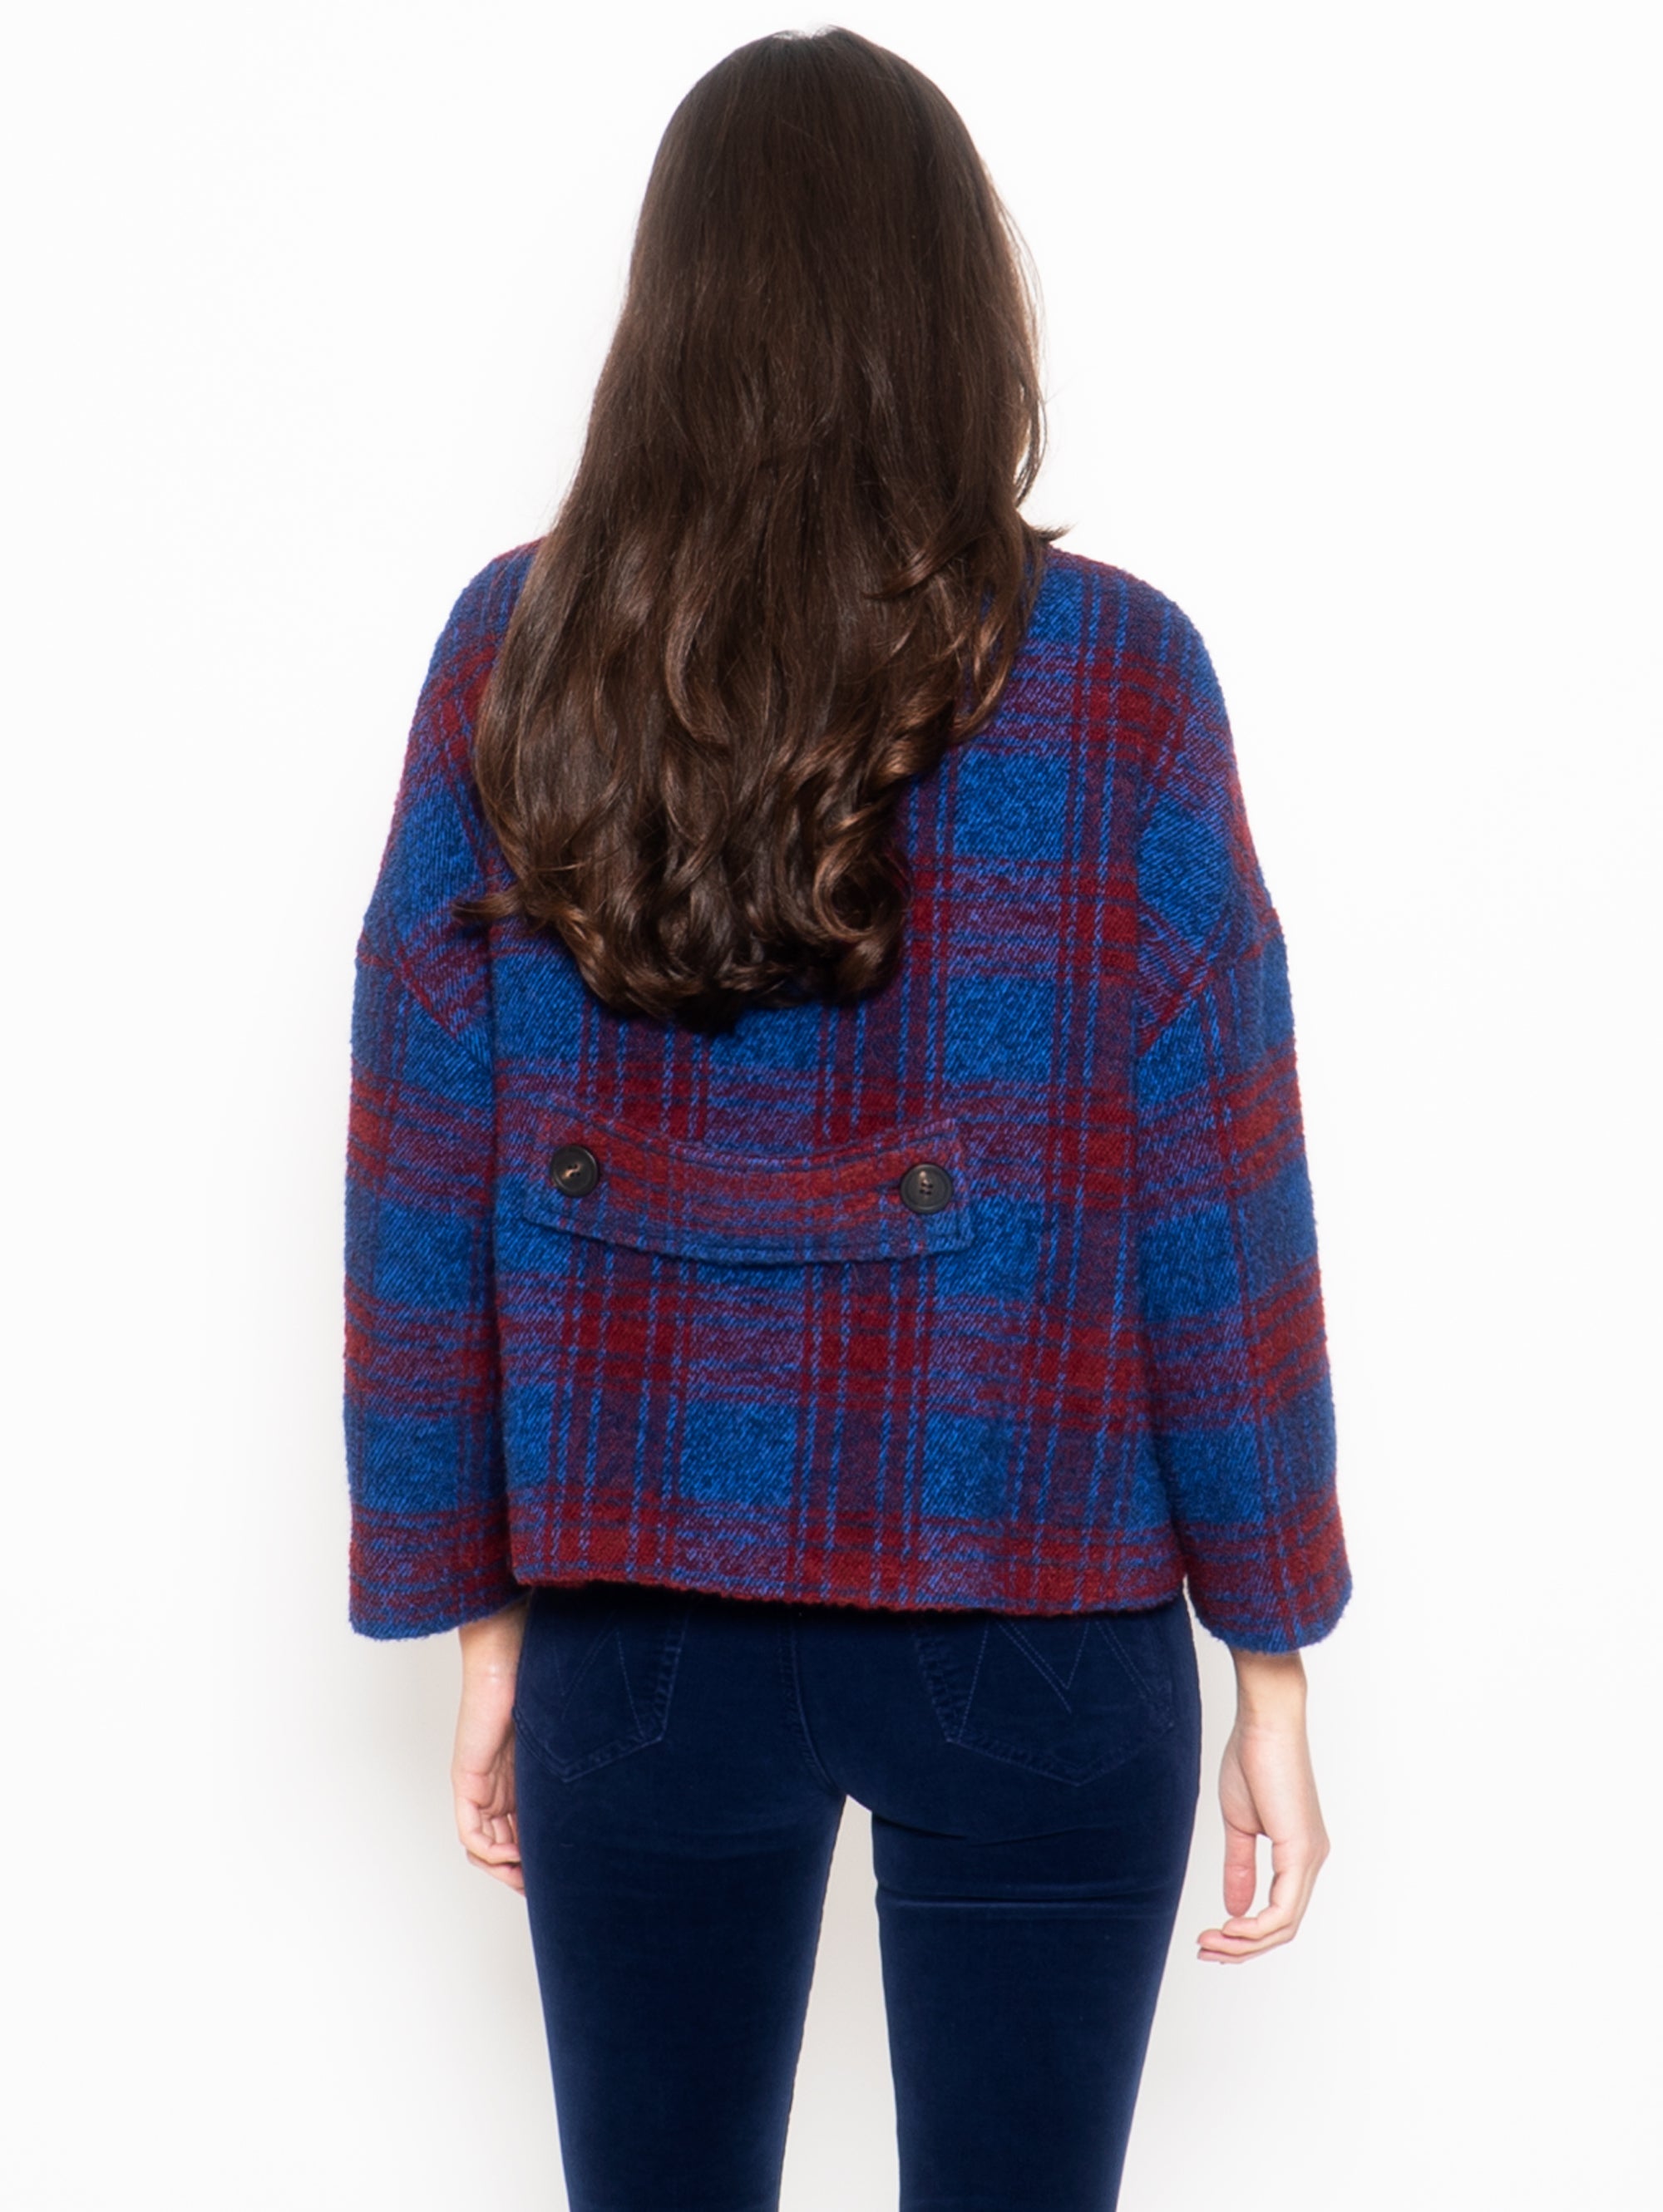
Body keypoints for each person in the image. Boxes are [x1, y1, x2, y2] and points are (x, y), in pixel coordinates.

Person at [343, 26, 1350, 2211]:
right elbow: (1222, 1187)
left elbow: (422, 1137)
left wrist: (479, 1608)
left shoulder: (518, 652)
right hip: (1035, 1599)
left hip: (639, 1612)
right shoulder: (1119, 680)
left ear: (672, 311)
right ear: (960, 310)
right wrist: (1271, 1648)